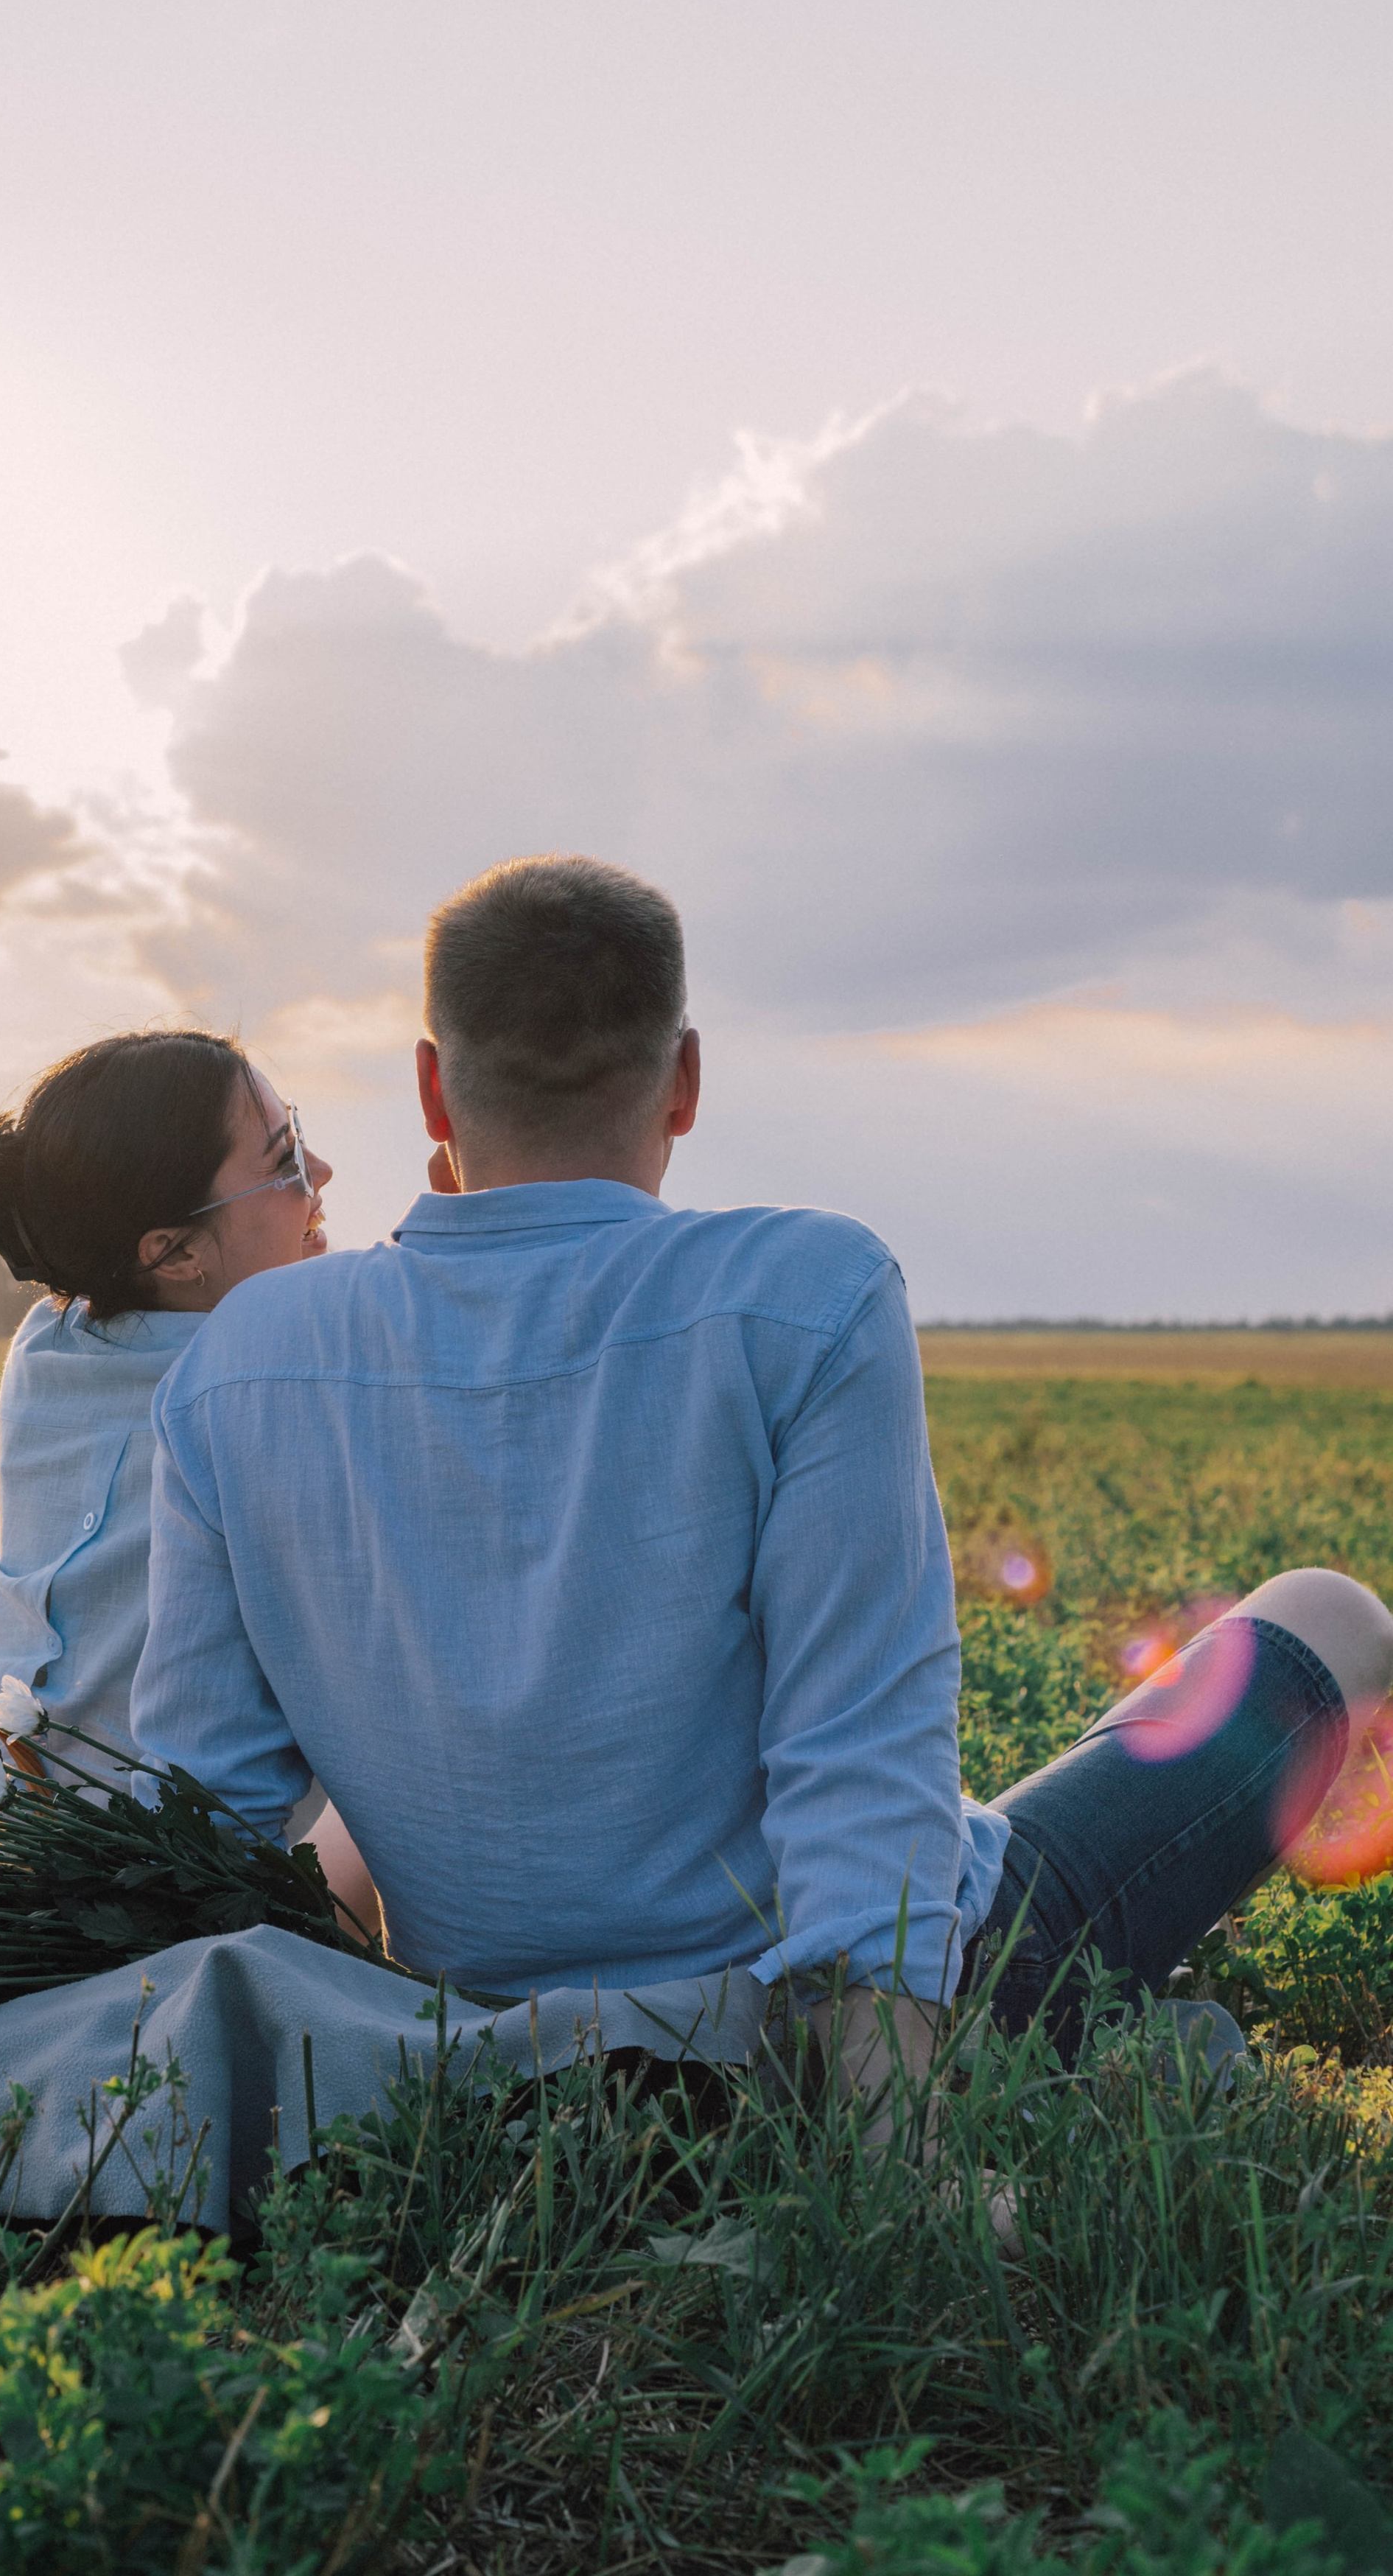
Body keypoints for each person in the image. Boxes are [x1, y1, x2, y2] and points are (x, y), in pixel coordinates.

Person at [131, 857, 1393, 2113]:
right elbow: (859, 1746)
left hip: (508, 2037)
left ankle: (1098, 2045)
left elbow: (211, 1814)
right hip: (836, 2017)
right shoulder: (810, 1291)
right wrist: (887, 2138)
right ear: (683, 1080)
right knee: (1331, 1614)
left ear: (430, 1088)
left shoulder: (236, 1362)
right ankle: (1060, 2043)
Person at [0, 1027, 377, 1929]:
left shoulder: (51, 1341)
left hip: (17, 1824)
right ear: (171, 1253)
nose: (320, 1171)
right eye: (283, 1163)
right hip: (187, 1877)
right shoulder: (270, 1378)